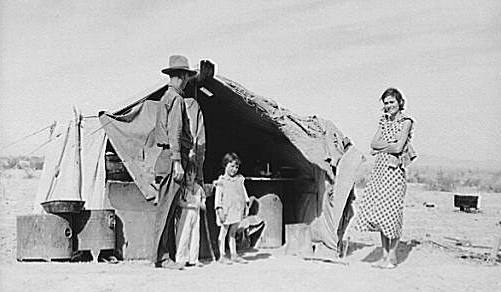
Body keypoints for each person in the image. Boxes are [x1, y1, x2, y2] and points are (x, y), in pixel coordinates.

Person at [355, 88, 416, 269]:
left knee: (392, 213)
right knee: (380, 212)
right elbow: (373, 144)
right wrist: (388, 146)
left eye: (392, 102)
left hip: (394, 170)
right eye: (386, 103)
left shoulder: (406, 122)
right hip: (379, 170)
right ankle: (384, 256)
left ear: (400, 102)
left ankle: (392, 255)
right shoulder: (383, 122)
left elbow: (398, 149)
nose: (389, 106)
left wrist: (383, 147)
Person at [153, 55, 196, 269]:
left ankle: (165, 256)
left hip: (167, 157)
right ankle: (162, 257)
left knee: (167, 210)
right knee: (166, 211)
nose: (187, 81)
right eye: (186, 76)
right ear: (180, 76)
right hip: (171, 158)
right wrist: (178, 161)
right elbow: (175, 132)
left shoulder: (166, 97)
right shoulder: (176, 99)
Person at [214, 152, 250, 264]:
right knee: (223, 232)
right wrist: (219, 209)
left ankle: (234, 254)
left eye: (236, 167)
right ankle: (222, 255)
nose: (234, 169)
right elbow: (218, 197)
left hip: (236, 209)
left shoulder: (240, 179)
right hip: (226, 210)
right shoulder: (222, 181)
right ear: (225, 165)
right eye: (232, 166)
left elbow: (244, 194)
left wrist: (246, 205)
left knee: (233, 232)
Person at [175, 161, 206, 268]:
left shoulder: (199, 189)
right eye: (186, 175)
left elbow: (203, 201)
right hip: (185, 215)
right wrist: (191, 205)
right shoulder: (182, 189)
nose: (188, 178)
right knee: (183, 236)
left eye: (190, 174)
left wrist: (202, 204)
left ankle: (194, 259)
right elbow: (179, 202)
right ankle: (181, 258)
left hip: (196, 217)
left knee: (195, 236)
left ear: (195, 175)